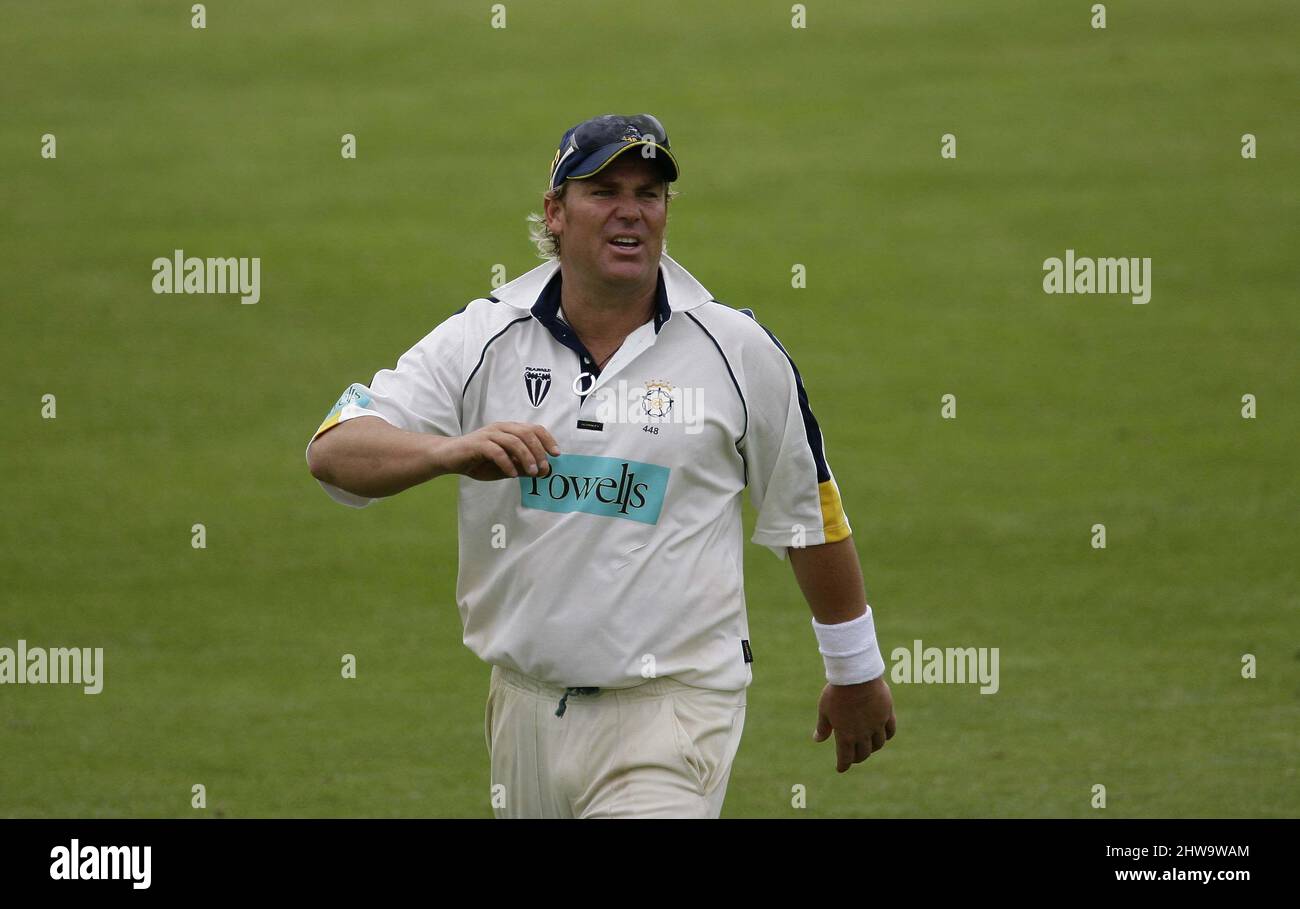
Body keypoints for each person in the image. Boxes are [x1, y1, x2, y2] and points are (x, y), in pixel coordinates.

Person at [306, 113, 896, 818]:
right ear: (555, 213)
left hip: (673, 713)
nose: (631, 211)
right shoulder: (483, 338)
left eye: (649, 193)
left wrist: (855, 668)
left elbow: (809, 513)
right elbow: (333, 449)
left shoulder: (736, 351)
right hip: (523, 707)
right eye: (604, 190)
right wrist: (447, 452)